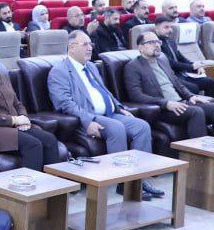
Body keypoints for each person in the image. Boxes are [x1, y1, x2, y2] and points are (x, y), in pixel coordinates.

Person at [47, 31, 162, 199]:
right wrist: (87, 121)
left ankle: (140, 180)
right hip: (87, 117)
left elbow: (104, 91)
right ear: (71, 48)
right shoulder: (60, 71)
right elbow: (64, 104)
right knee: (116, 128)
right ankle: (123, 183)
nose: (90, 48)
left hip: (110, 114)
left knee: (142, 126)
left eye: (91, 44)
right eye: (85, 44)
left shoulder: (91, 66)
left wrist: (120, 108)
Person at [0, 41, 62, 172]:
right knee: (32, 145)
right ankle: (29, 184)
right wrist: (14, 120)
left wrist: (24, 118)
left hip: (13, 126)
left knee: (49, 140)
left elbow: (17, 103)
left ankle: (53, 184)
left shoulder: (2, 77)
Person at [124, 32, 214, 139]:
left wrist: (190, 96)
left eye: (158, 42)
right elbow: (136, 96)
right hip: (161, 108)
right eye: (152, 42)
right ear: (141, 47)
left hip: (180, 102)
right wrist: (166, 103)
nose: (157, 45)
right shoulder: (133, 66)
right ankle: (199, 149)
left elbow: (177, 83)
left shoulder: (162, 60)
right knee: (196, 112)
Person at [153, 16, 214, 96]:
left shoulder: (171, 41)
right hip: (170, 77)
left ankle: (211, 104)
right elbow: (170, 63)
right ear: (157, 29)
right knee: (194, 88)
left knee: (210, 82)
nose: (170, 30)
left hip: (181, 74)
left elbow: (181, 57)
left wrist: (196, 66)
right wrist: (192, 67)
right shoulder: (155, 44)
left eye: (171, 27)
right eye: (166, 27)